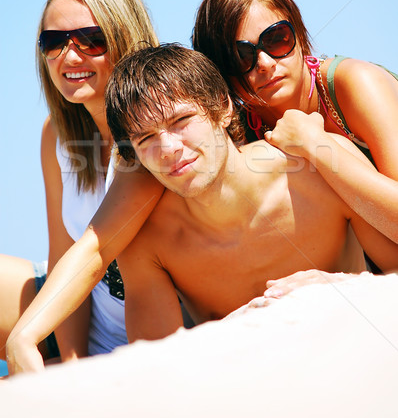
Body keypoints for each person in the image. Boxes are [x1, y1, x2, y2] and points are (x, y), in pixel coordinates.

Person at [60, 45, 398, 342]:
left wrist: (340, 286)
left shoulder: (319, 171)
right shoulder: (148, 241)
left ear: (223, 108)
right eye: (145, 138)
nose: (168, 148)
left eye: (181, 121)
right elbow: (158, 366)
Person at [1, 0, 163, 366]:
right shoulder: (57, 133)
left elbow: (95, 254)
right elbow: (63, 256)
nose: (69, 58)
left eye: (91, 40)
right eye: (53, 42)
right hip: (81, 315)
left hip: (152, 334)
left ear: (126, 37)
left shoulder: (162, 130)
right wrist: (72, 363)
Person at [192, 0, 398, 245]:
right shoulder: (238, 130)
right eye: (241, 57)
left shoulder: (356, 84)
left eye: (276, 39)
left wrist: (313, 143)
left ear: (299, 33)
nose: (264, 64)